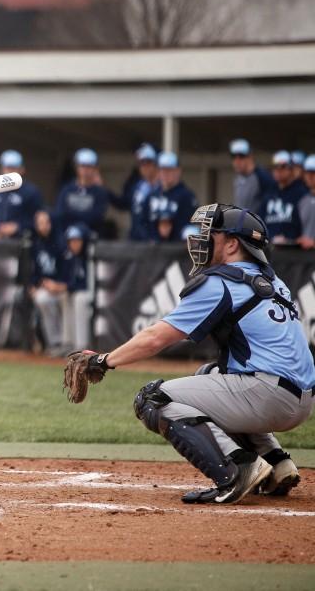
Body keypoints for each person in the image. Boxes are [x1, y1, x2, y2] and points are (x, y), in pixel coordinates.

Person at [73, 204, 313, 504]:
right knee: (207, 374)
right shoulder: (273, 282)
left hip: (267, 395)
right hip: (301, 398)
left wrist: (103, 360)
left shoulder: (221, 281)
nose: (202, 238)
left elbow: (155, 338)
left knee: (152, 399)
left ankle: (236, 468)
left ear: (232, 244)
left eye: (211, 233)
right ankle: (277, 462)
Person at [30, 209, 68, 356]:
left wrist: (58, 285)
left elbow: (67, 271)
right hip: (46, 287)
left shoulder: (61, 242)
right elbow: (34, 271)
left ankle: (67, 343)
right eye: (40, 223)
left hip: (63, 287)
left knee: (65, 299)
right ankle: (54, 343)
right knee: (41, 298)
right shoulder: (36, 244)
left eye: (46, 222)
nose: (43, 226)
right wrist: (34, 285)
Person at [54, 148, 110, 238]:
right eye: (82, 166)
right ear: (77, 167)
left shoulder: (100, 192)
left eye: (89, 166)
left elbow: (97, 217)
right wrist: (82, 214)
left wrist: (71, 213)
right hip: (66, 236)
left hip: (90, 237)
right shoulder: (67, 189)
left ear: (95, 169)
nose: (85, 170)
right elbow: (60, 213)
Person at [0, 149, 43, 238]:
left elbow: (40, 220)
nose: (10, 172)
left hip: (22, 240)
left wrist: (18, 227)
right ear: (1, 169)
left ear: (22, 170)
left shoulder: (31, 191)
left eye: (13, 168)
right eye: (7, 168)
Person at [146, 152, 197, 242]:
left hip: (177, 249)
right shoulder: (152, 195)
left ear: (178, 171)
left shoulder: (186, 196)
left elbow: (192, 226)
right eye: (162, 170)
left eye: (169, 170)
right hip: (153, 250)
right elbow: (143, 221)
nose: (165, 174)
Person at [259, 150, 307, 244]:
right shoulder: (269, 195)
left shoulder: (301, 194)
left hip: (294, 250)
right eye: (275, 166)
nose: (278, 170)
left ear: (291, 169)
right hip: (270, 249)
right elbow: (260, 223)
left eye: (283, 166)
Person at [115, 143, 159, 241]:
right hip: (136, 240)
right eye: (141, 163)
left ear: (155, 164)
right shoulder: (137, 187)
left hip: (155, 242)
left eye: (148, 162)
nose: (144, 167)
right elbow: (123, 204)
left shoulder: (163, 187)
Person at [60, 224, 92, 351]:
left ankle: (81, 346)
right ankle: (68, 343)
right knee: (65, 296)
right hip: (77, 291)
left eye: (77, 240)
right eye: (71, 241)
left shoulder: (90, 255)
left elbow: (87, 283)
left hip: (91, 292)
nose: (74, 244)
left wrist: (67, 286)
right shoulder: (70, 257)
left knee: (79, 298)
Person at [229, 139, 275, 213]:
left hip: (257, 223)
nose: (237, 161)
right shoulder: (237, 179)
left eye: (241, 156)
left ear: (250, 156)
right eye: (234, 156)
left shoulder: (262, 177)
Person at [297, 155, 315, 250]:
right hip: (305, 258)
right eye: (307, 173)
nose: (310, 176)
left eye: (313, 173)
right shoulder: (302, 201)